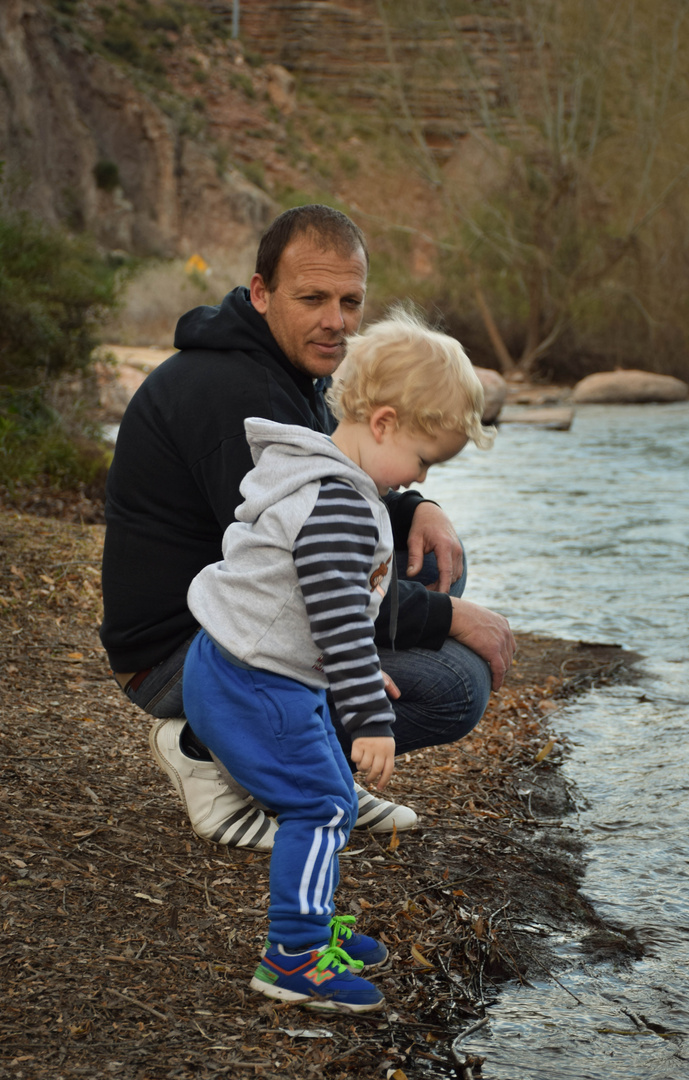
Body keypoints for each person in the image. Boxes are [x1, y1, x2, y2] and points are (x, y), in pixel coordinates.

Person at [99, 204, 515, 851]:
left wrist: (414, 509)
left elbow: (328, 482)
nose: (336, 320)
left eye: (350, 301)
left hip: (246, 617)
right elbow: (312, 568)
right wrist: (452, 618)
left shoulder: (290, 373)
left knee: (426, 563)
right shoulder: (238, 392)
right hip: (183, 652)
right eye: (313, 297)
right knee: (456, 688)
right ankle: (203, 747)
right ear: (261, 293)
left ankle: (308, 765)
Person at [183, 310, 495, 1011]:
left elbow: (325, 609)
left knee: (320, 788)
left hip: (232, 659)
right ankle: (293, 956)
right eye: (423, 461)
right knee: (323, 805)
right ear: (382, 423)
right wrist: (369, 714)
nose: (418, 478)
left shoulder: (310, 469)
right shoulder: (343, 507)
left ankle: (315, 923)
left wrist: (348, 672)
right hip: (255, 679)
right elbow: (332, 616)